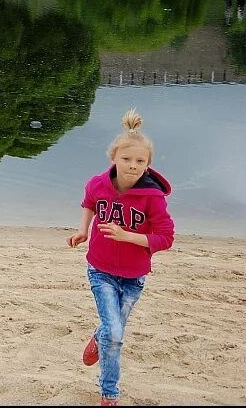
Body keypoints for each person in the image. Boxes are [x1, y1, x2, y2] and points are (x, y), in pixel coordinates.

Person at [66, 109, 174, 407]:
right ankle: (109, 394)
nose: (133, 166)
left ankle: (98, 336)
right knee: (115, 334)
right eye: (126, 159)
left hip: (134, 277)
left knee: (111, 332)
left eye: (140, 161)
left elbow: (166, 238)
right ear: (114, 157)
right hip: (100, 269)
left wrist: (129, 237)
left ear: (148, 165)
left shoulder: (152, 198)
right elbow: (89, 202)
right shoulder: (98, 184)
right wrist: (82, 231)